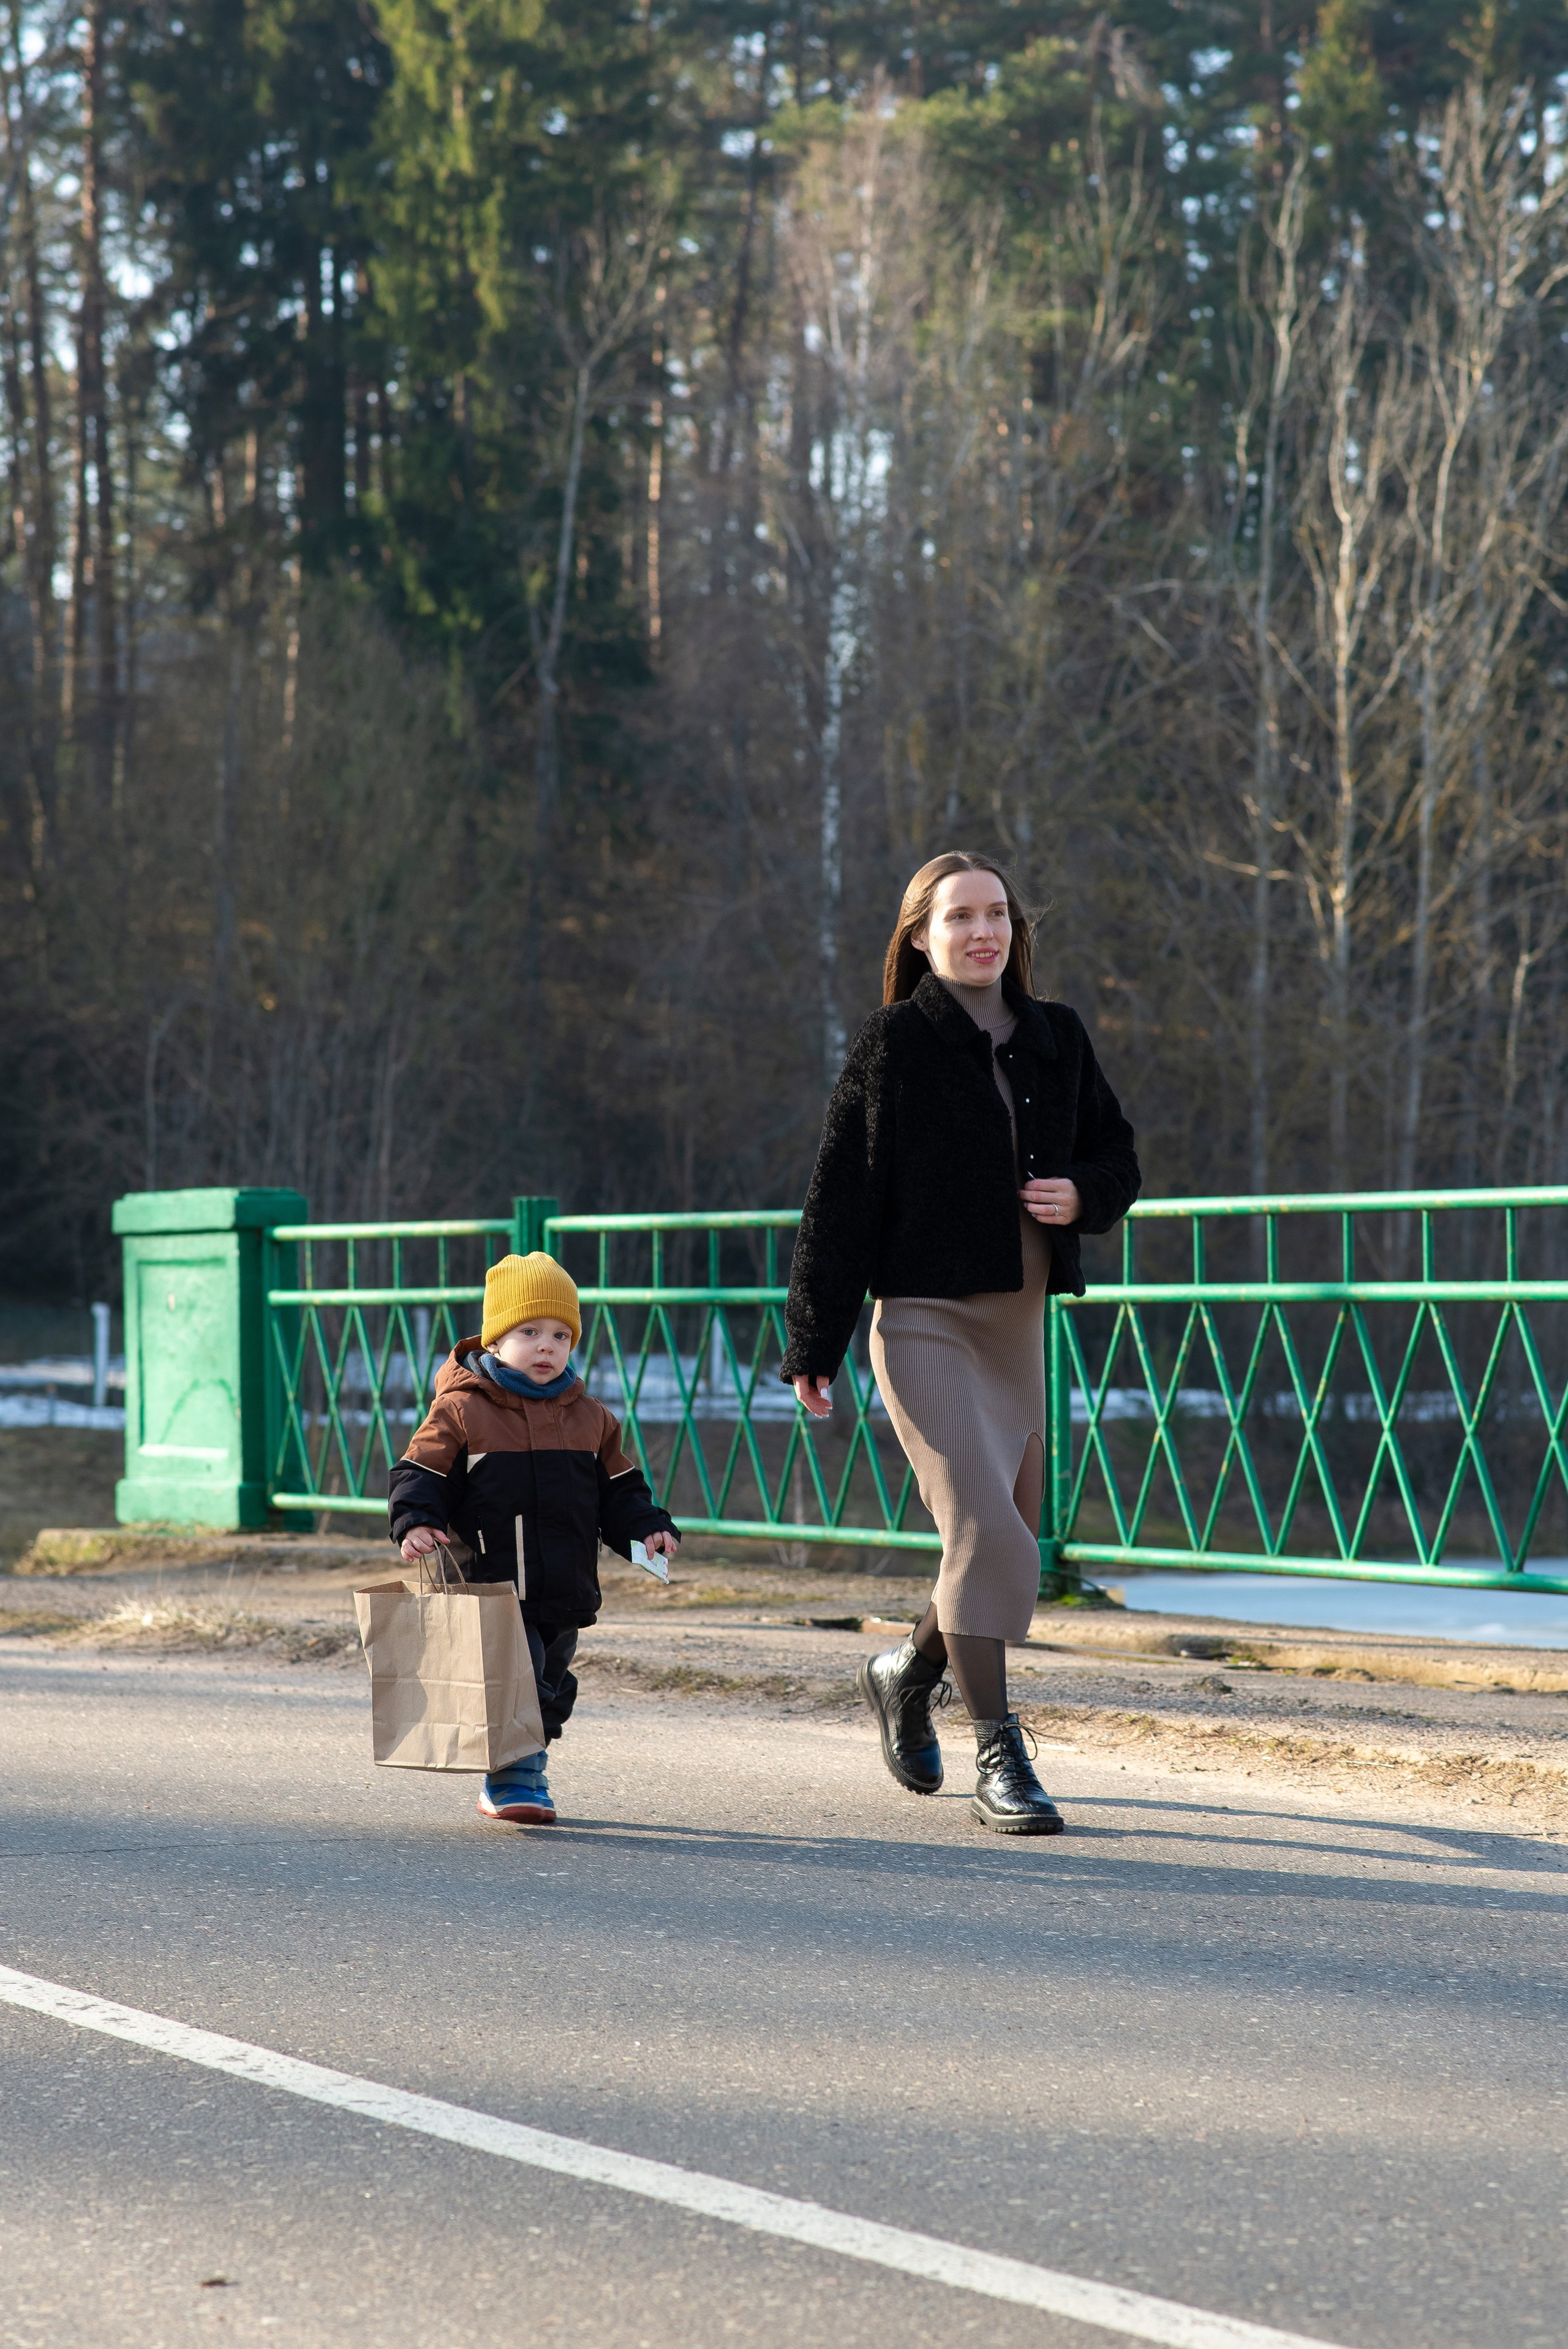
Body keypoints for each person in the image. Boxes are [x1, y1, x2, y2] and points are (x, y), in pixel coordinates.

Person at [781, 852, 1140, 1834]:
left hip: (1016, 1332)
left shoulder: (1058, 1035)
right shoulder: (893, 1042)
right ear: (920, 935)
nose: (984, 932)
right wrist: (815, 1337)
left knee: (1001, 1539)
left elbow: (1118, 1154)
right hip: (924, 1322)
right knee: (986, 1526)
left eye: (998, 915)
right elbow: (840, 1196)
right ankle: (1000, 1750)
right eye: (960, 917)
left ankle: (907, 1670)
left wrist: (1085, 1193)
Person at [388, 1251, 679, 1825]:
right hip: (492, 1583)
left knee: (550, 1681)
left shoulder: (592, 1417)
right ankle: (513, 1777)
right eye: (529, 1332)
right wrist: (416, 1519)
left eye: (560, 1335)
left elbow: (620, 1489)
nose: (546, 1346)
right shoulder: (461, 1410)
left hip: (565, 1582)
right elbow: (419, 1472)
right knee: (516, 1677)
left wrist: (647, 1526)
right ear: (495, 1340)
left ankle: (527, 1763)